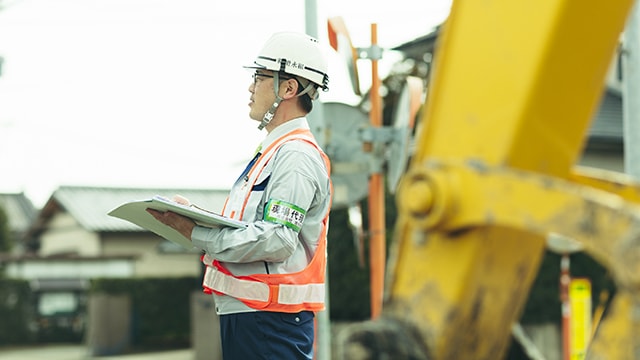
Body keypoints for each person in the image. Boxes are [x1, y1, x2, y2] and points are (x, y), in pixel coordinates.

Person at [147, 31, 332, 359]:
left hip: (270, 320)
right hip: (255, 315)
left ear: (288, 88)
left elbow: (277, 240)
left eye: (259, 77)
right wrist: (194, 214)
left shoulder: (296, 156)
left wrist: (196, 232)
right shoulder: (273, 152)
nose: (250, 87)